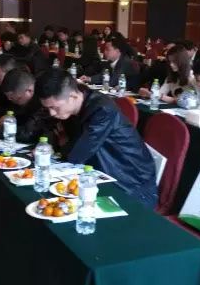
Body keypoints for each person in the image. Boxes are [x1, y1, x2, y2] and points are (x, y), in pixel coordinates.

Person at [36, 69, 158, 208]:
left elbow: (77, 154)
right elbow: (46, 129)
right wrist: (52, 144)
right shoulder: (72, 105)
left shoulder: (102, 110)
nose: (52, 113)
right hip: (102, 174)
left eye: (54, 107)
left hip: (132, 185)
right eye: (48, 108)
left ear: (73, 96)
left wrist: (61, 146)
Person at [0, 69, 54, 145]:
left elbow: (28, 133)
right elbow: (18, 114)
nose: (10, 99)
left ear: (29, 91)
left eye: (13, 97)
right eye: (8, 97)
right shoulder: (21, 98)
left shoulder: (43, 101)